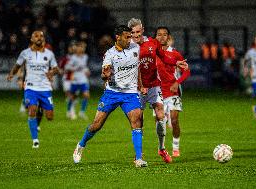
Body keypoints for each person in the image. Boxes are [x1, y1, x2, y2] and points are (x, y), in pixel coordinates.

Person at [73, 25, 147, 168]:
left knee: (136, 120)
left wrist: (140, 85)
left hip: (130, 93)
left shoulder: (136, 48)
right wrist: (104, 75)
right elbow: (104, 73)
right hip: (112, 93)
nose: (129, 39)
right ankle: (81, 145)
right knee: (96, 125)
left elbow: (145, 55)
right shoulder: (110, 54)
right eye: (127, 36)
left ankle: (138, 159)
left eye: (130, 36)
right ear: (117, 37)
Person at [127, 18, 188, 163]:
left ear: (142, 29)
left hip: (154, 85)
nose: (136, 35)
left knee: (161, 116)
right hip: (137, 89)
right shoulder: (128, 48)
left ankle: (162, 149)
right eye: (133, 33)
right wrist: (138, 85)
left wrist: (176, 62)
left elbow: (164, 57)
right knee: (138, 120)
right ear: (130, 33)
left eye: (138, 31)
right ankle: (138, 154)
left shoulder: (152, 43)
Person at [7, 30, 59, 148]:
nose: (39, 38)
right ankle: (35, 140)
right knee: (31, 110)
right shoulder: (25, 53)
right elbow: (17, 66)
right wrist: (11, 74)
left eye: (41, 36)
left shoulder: (49, 54)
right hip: (30, 87)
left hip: (45, 88)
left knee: (50, 117)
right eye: (36, 36)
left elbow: (56, 69)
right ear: (31, 39)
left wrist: (51, 71)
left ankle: (40, 108)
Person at [155, 27, 190, 157]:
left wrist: (177, 82)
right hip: (157, 91)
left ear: (168, 37)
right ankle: (162, 148)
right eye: (159, 35)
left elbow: (187, 71)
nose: (162, 37)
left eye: (165, 35)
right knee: (159, 123)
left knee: (174, 120)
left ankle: (175, 147)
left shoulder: (175, 54)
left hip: (172, 90)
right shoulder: (152, 53)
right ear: (156, 37)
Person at [66, 41, 90, 120]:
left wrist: (87, 70)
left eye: (83, 47)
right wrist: (75, 68)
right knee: (73, 96)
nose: (82, 49)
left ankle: (82, 112)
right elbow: (67, 67)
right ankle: (69, 110)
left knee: (86, 95)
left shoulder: (85, 57)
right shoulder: (73, 57)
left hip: (83, 79)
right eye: (80, 47)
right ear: (77, 49)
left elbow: (84, 67)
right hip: (75, 79)